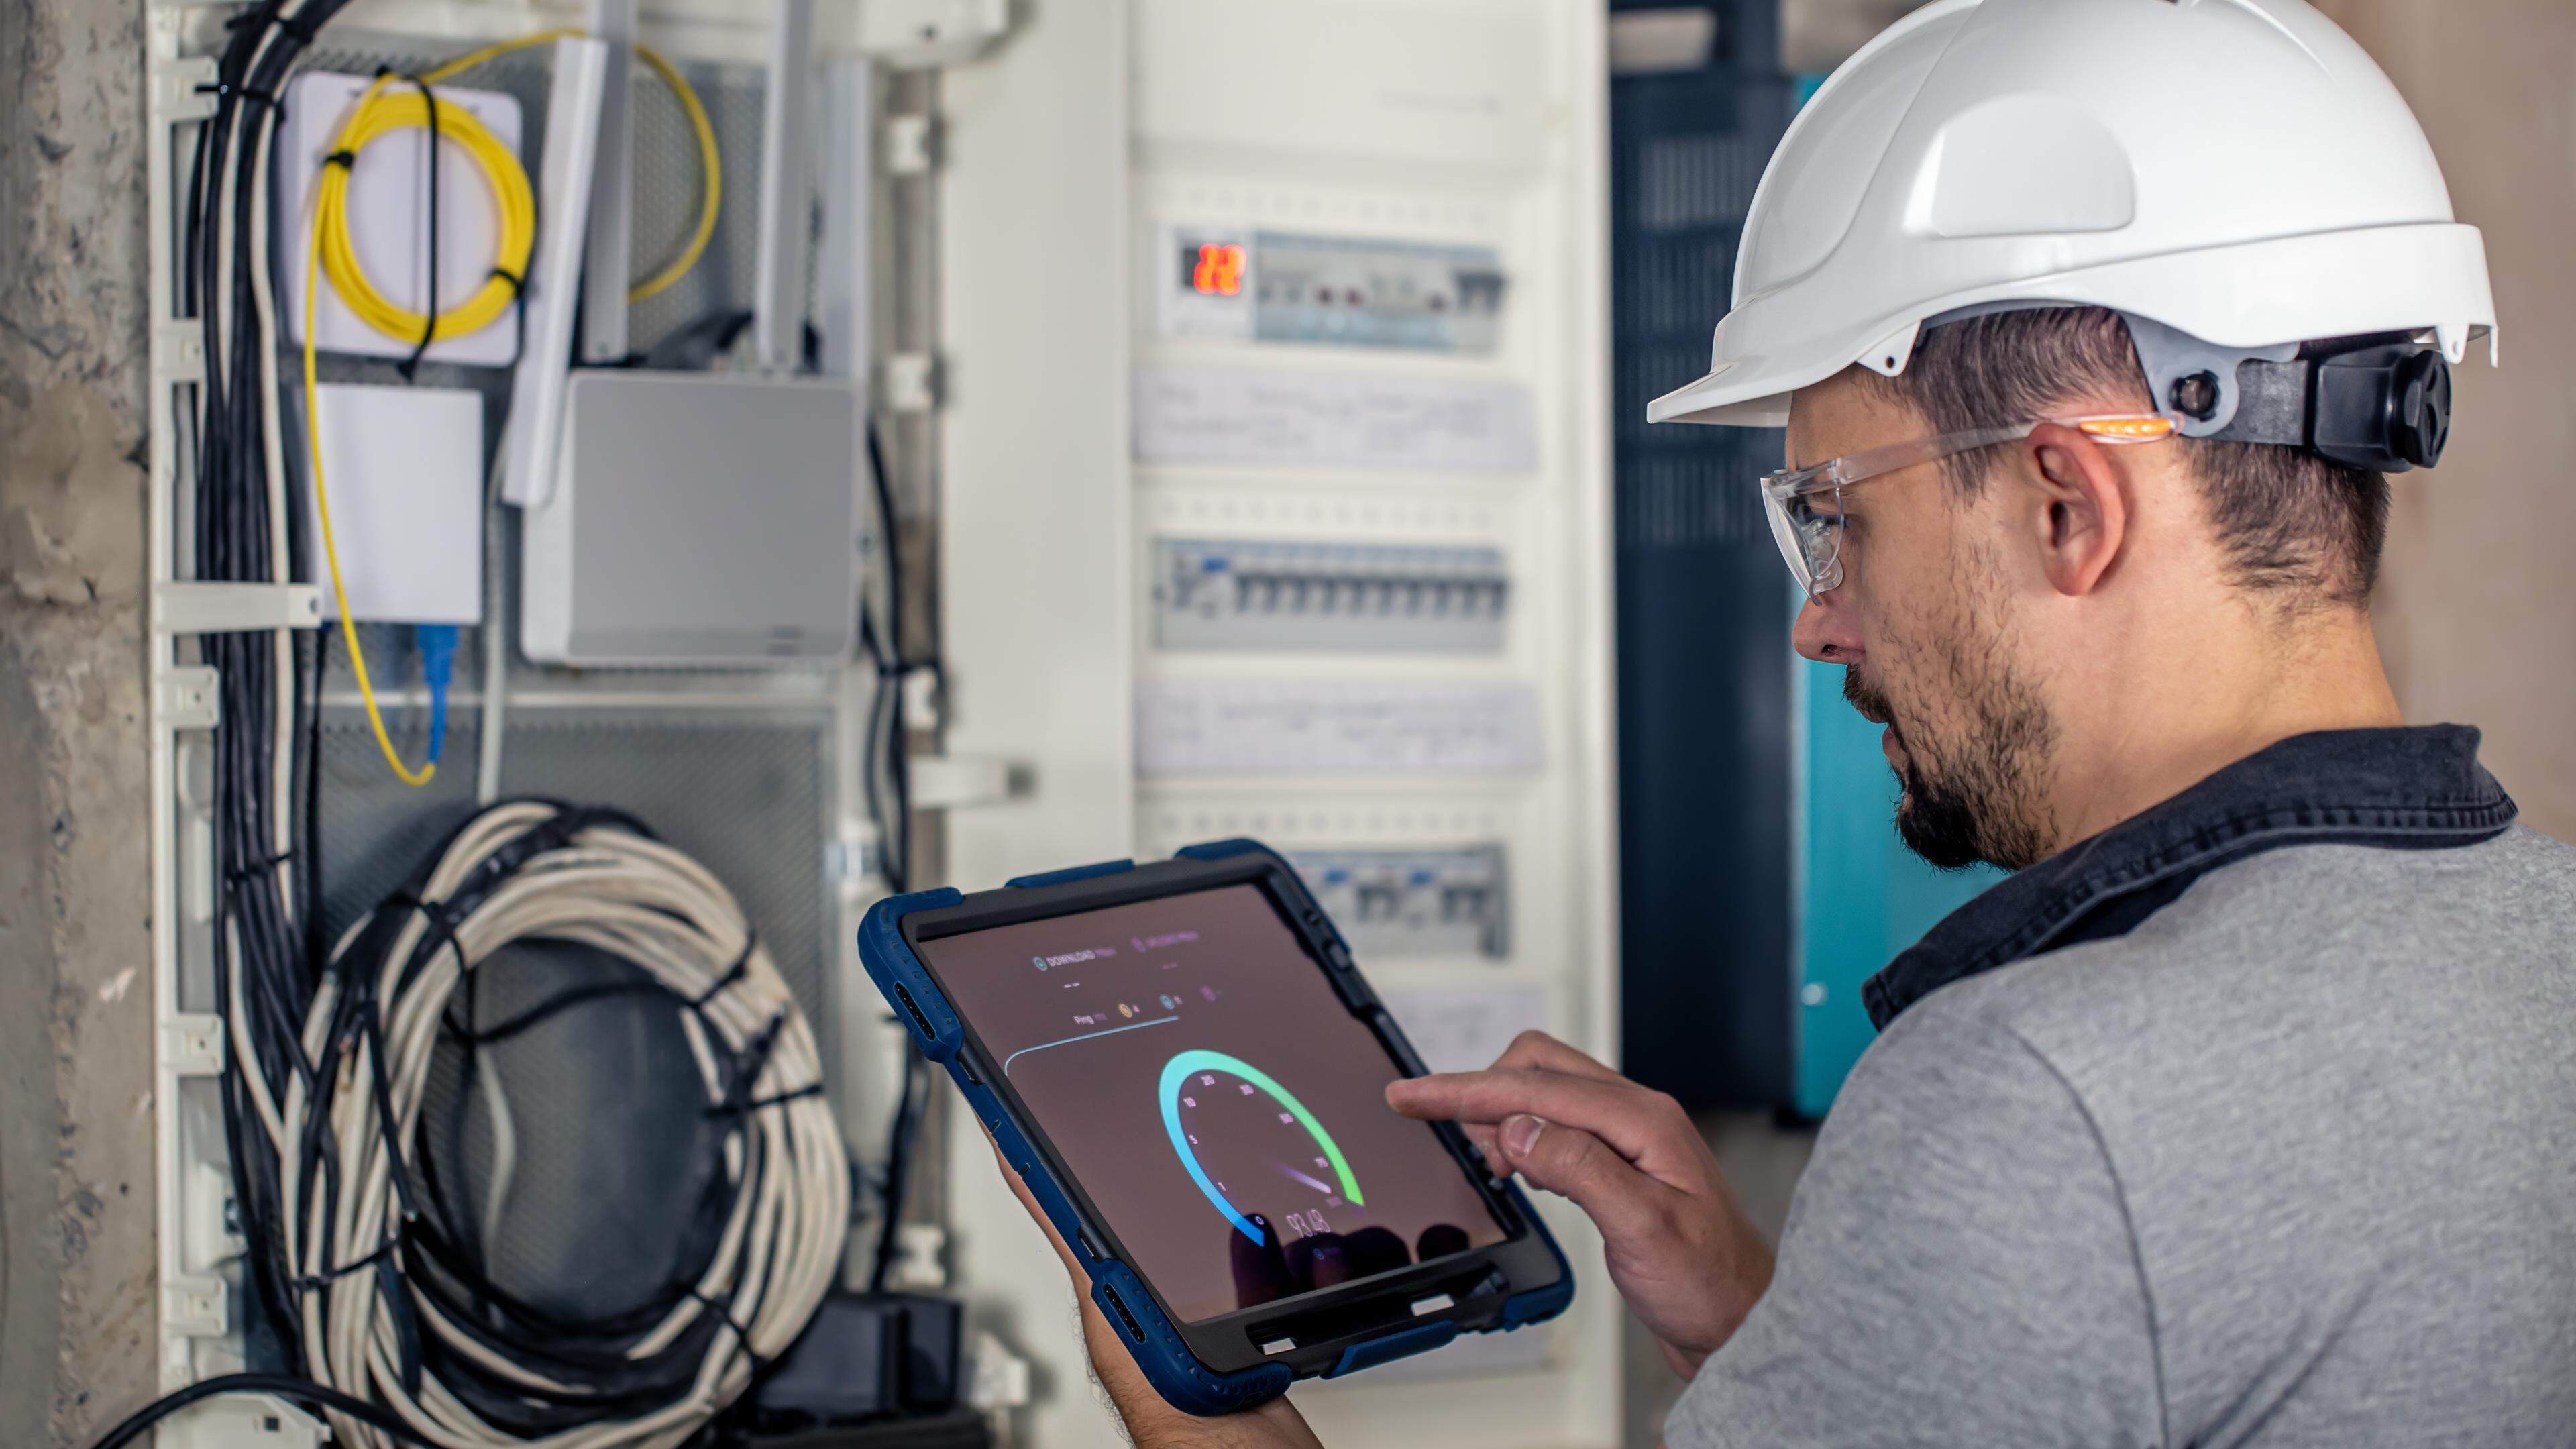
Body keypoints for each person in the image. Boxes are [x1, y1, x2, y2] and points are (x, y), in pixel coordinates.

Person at [994, 0, 2576, 1442]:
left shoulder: (2039, 1099)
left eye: (1837, 520)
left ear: (2062, 504)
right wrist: (1786, 1331)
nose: (1819, 619)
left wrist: (1193, 1399)